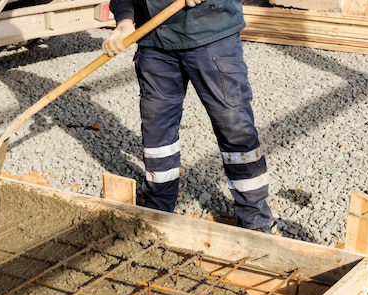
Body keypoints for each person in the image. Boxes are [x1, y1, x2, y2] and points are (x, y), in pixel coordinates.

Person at [103, 0, 273, 232]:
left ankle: (255, 217)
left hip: (211, 34)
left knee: (232, 123)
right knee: (157, 128)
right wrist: (124, 20)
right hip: (154, 39)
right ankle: (158, 208)